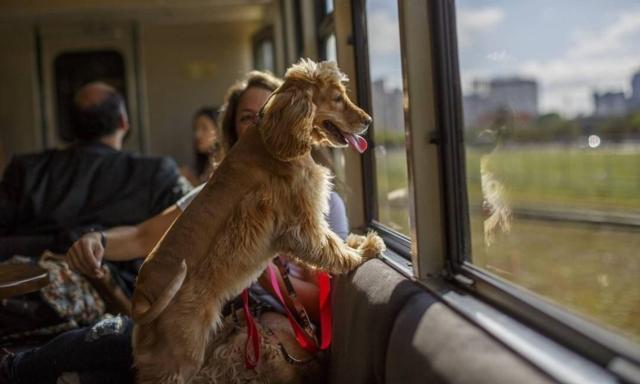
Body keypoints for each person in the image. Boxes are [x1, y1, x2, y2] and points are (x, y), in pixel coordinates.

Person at [1, 71, 349, 384]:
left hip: (266, 324)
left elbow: (325, 297)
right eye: (249, 118)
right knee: (112, 339)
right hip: (198, 319)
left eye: (272, 111)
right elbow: (143, 236)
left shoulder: (322, 199)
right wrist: (99, 239)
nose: (264, 122)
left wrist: (251, 266)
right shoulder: (214, 194)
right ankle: (15, 369)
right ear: (234, 132)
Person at [0, 82, 190, 262]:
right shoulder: (156, 172)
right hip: (114, 289)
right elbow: (183, 230)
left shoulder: (25, 169)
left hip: (20, 282)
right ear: (123, 121)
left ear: (71, 126)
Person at [180, 107, 224, 185]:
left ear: (218, 131)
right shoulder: (205, 165)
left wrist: (193, 183)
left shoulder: (225, 165)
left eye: (204, 128)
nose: (197, 135)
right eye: (195, 129)